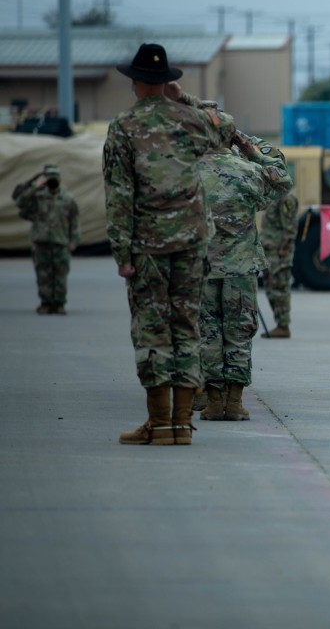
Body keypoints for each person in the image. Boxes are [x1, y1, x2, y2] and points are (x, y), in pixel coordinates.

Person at [105, 43, 218, 445]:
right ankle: (183, 425)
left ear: (135, 82)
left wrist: (122, 252)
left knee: (152, 331)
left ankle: (160, 422)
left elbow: (119, 193)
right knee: (186, 327)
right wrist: (182, 99)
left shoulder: (123, 126)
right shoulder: (191, 120)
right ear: (167, 81)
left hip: (147, 247)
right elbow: (223, 132)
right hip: (191, 243)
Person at [196, 110, 292, 421]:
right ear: (231, 137)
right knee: (238, 331)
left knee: (208, 331)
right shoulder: (246, 171)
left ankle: (212, 401)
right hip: (241, 268)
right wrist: (252, 152)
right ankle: (234, 402)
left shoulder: (190, 172)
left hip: (203, 267)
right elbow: (283, 181)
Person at [13, 163, 79, 315]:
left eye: (54, 177)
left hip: (60, 241)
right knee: (43, 275)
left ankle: (60, 304)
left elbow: (74, 222)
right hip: (40, 241)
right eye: (49, 177)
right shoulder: (38, 196)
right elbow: (20, 203)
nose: (52, 180)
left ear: (60, 179)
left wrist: (73, 241)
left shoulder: (67, 198)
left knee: (60, 275)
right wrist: (35, 187)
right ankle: (45, 303)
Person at [259, 184, 297, 338]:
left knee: (280, 288)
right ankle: (279, 323)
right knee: (270, 287)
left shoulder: (285, 198)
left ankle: (283, 325)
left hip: (279, 251)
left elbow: (290, 227)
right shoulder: (273, 197)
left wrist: (284, 247)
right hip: (270, 249)